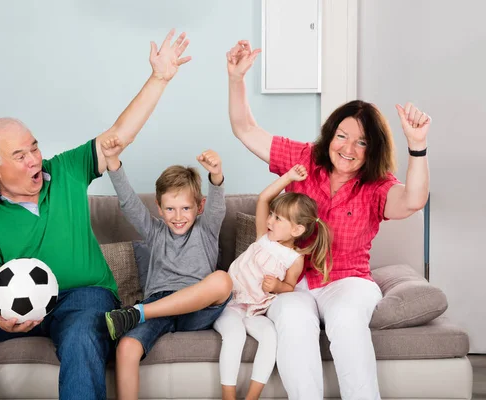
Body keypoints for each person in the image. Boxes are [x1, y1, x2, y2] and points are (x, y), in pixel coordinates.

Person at [0, 29, 191, 400]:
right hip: (18, 302)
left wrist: (159, 78)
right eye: (20, 156)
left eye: (34, 147)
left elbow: (119, 135)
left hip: (83, 298)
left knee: (84, 331)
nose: (34, 159)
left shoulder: (66, 169)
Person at [226, 40, 431, 400]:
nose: (348, 149)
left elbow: (414, 200)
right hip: (296, 284)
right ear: (330, 135)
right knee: (291, 319)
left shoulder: (377, 186)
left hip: (349, 281)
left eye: (361, 142)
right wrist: (237, 79)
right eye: (342, 136)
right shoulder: (304, 159)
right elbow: (246, 129)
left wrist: (418, 146)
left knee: (348, 321)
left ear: (374, 149)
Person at [100, 136, 232, 400]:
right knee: (126, 346)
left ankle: (136, 313)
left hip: (197, 307)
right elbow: (129, 204)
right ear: (159, 209)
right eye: (170, 209)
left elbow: (218, 208)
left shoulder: (206, 229)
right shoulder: (156, 232)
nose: (178, 216)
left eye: (185, 208)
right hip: (158, 307)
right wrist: (113, 162)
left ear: (199, 207)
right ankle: (140, 313)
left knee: (222, 280)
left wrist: (215, 175)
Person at [214, 164, 332, 400]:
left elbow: (288, 286)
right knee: (234, 335)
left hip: (256, 311)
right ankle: (228, 396)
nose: (270, 220)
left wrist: (278, 287)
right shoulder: (263, 237)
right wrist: (288, 177)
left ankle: (252, 397)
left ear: (297, 229)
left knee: (271, 337)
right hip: (230, 304)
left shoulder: (295, 259)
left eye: (277, 218)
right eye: (272, 215)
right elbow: (264, 198)